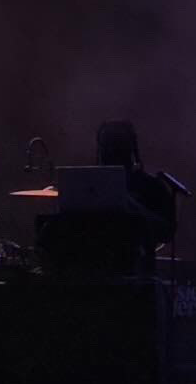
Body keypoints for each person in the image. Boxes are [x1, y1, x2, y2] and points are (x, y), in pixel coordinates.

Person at [37, 119, 177, 278]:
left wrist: (131, 205)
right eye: (107, 147)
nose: (111, 153)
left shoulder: (151, 186)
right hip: (89, 276)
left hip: (135, 277)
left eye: (117, 146)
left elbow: (166, 232)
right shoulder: (88, 186)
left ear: (131, 149)